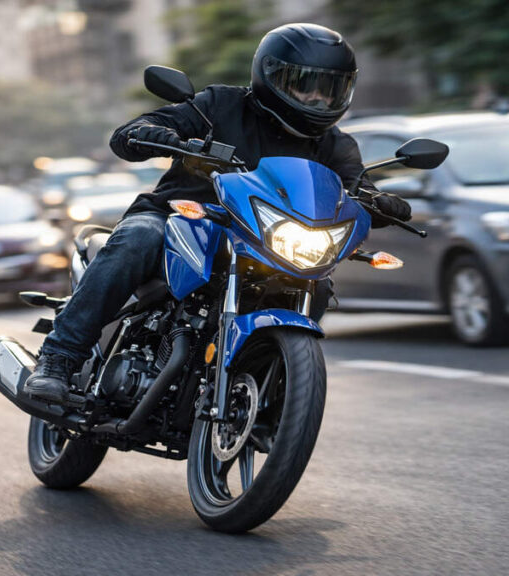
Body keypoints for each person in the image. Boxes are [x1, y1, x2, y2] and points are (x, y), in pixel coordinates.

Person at [26, 23, 412, 403]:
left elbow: (356, 185)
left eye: (328, 89)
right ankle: (59, 358)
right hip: (183, 217)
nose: (316, 99)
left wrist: (379, 202)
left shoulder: (334, 145)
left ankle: (273, 390)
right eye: (303, 84)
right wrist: (152, 133)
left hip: (263, 239)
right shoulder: (220, 105)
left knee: (319, 284)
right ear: (271, 76)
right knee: (138, 236)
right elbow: (135, 130)